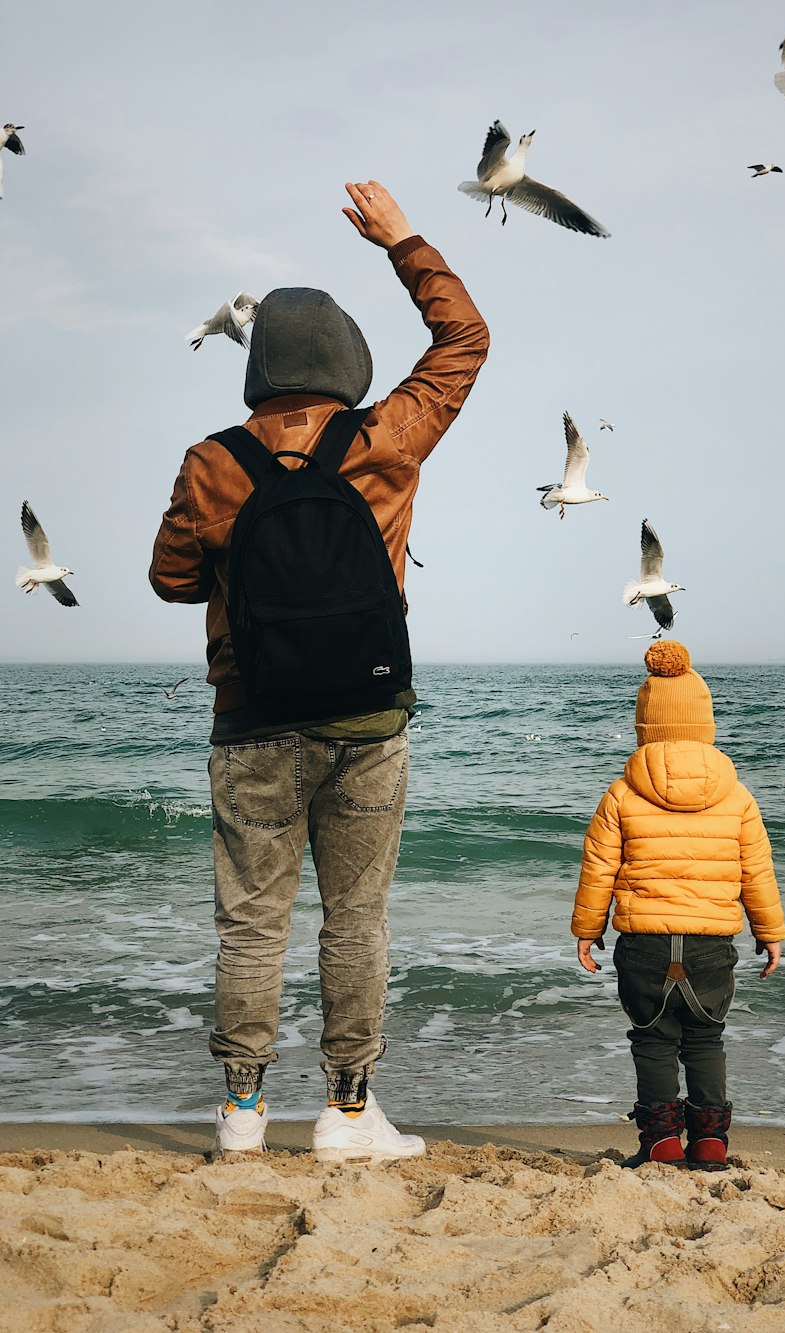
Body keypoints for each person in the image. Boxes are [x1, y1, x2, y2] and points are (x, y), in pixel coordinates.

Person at [150, 181, 489, 1161]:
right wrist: (400, 240)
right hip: (368, 722)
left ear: (258, 368)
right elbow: (464, 339)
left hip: (250, 721)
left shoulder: (210, 461)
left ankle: (242, 1114)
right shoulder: (385, 438)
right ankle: (347, 1113)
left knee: (252, 926)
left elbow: (171, 578)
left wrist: (227, 566)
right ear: (348, 361)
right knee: (356, 922)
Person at [571, 641, 785, 1170]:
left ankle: (663, 1144)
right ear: (706, 722)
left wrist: (587, 928)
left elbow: (599, 866)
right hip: (712, 944)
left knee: (653, 1040)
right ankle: (711, 1142)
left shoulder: (622, 793)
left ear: (643, 723)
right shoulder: (736, 796)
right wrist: (770, 933)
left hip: (643, 943)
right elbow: (755, 871)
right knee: (706, 1039)